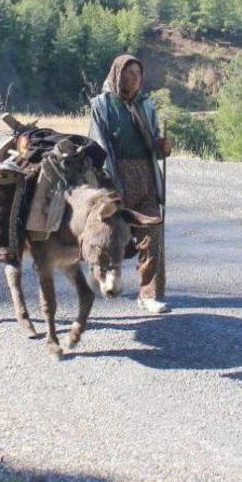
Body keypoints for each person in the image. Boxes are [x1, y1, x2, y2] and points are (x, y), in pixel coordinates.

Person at [89, 54, 172, 313]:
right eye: (128, 73)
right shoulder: (101, 105)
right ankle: (104, 276)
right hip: (114, 177)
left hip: (146, 176)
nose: (133, 79)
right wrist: (105, 182)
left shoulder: (146, 105)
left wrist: (163, 148)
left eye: (137, 74)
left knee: (153, 233)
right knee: (108, 234)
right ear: (116, 75)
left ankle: (149, 294)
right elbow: (98, 144)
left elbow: (155, 145)